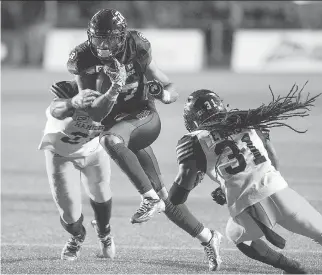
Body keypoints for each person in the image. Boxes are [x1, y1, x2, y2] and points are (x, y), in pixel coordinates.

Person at [66, 9, 223, 271]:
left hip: (143, 118)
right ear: (90, 37)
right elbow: (93, 113)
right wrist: (115, 89)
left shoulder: (136, 45)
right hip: (117, 125)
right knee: (166, 198)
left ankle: (148, 199)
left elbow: (171, 89)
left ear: (122, 37)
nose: (104, 46)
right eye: (99, 39)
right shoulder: (82, 57)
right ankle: (208, 237)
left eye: (111, 39)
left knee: (111, 141)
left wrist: (162, 93)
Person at [168, 85, 322, 274]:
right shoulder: (247, 120)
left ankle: (291, 267)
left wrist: (195, 179)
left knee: (237, 235)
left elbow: (177, 197)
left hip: (251, 212)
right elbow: (271, 157)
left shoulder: (192, 140)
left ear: (195, 117)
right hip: (282, 194)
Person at [38, 80, 115, 261]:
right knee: (70, 215)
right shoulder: (61, 108)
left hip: (95, 154)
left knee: (102, 195)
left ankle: (104, 233)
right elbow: (56, 109)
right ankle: (77, 236)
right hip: (62, 157)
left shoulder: (105, 104)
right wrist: (72, 101)